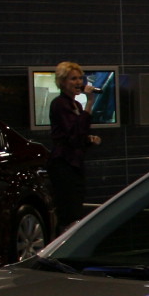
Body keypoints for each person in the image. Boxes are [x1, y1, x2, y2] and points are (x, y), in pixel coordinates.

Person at [48, 60, 102, 233]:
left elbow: (79, 135)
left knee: (76, 207)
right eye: (73, 79)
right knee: (68, 210)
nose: (78, 82)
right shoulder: (60, 104)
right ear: (62, 82)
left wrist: (88, 140)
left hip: (75, 162)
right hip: (63, 163)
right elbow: (72, 134)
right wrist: (89, 104)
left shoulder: (75, 105)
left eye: (80, 78)